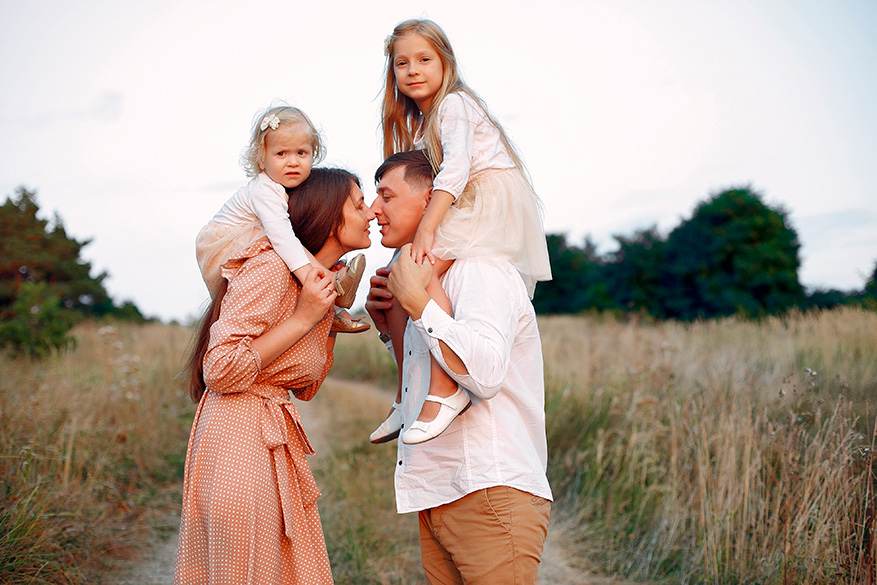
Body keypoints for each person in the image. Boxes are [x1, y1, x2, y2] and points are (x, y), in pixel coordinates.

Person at [175, 168, 374, 585]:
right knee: (246, 569)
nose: (371, 213)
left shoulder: (311, 282)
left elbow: (306, 386)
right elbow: (220, 369)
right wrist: (304, 319)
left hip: (270, 432)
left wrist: (324, 318)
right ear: (327, 214)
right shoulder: (268, 268)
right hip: (237, 435)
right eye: (359, 204)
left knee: (277, 568)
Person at [365, 151, 553, 584]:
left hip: (487, 488)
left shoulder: (479, 271)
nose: (376, 210)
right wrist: (389, 329)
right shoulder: (426, 275)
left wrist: (416, 303)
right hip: (441, 492)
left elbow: (483, 374)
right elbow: (437, 375)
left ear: (432, 200)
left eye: (386, 196)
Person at [371, 18, 552, 445]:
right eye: (402, 63)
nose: (413, 70)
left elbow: (453, 172)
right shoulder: (423, 120)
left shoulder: (455, 104)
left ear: (445, 63)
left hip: (483, 200)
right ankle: (405, 396)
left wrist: (427, 229)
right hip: (460, 198)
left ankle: (447, 389)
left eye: (424, 59)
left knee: (421, 267)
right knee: (399, 279)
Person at [195, 105, 368, 333]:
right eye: (281, 154)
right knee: (282, 249)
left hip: (256, 235)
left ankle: (327, 304)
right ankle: (328, 286)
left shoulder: (280, 188)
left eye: (301, 153)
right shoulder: (265, 190)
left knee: (288, 248)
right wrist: (310, 277)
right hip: (222, 242)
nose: (293, 162)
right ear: (261, 161)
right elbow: (283, 238)